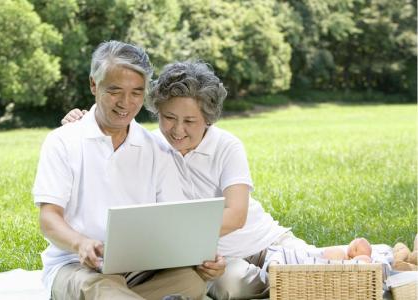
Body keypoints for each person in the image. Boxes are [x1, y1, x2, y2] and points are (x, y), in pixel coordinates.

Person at [62, 60, 311, 300]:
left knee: (312, 265)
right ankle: (280, 279)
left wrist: (179, 236)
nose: (178, 130)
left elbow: (236, 216)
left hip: (262, 241)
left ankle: (287, 267)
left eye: (190, 121)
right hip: (212, 259)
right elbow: (107, 148)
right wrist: (82, 123)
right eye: (169, 118)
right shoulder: (147, 147)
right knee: (230, 288)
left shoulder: (226, 146)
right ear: (157, 111)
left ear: (208, 119)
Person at [33, 41, 211, 300]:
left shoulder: (157, 149)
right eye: (114, 90)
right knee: (104, 290)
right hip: (77, 266)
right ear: (94, 85)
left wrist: (201, 258)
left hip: (140, 269)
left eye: (137, 93)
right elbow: (49, 219)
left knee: (192, 283)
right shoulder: (62, 141)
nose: (125, 103)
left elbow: (173, 221)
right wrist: (80, 243)